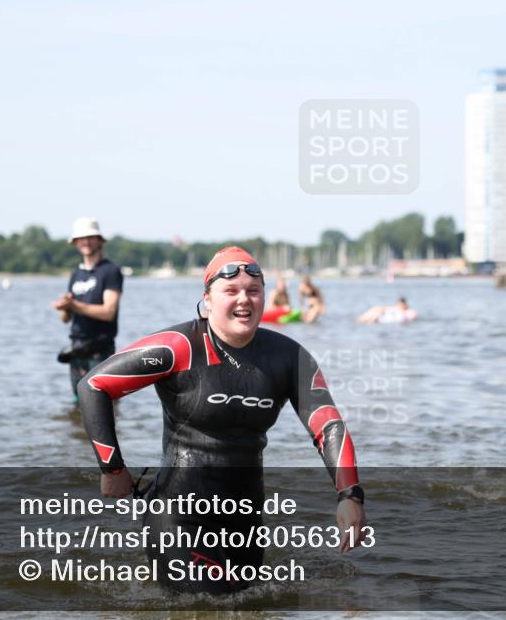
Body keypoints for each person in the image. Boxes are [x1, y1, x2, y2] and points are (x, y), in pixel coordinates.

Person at [78, 246, 367, 593]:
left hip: (245, 519)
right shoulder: (179, 346)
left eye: (253, 290)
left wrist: (350, 495)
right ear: (208, 299)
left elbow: (328, 424)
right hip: (178, 515)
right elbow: (93, 386)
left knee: (246, 608)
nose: (244, 299)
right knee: (203, 605)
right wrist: (113, 470)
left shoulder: (289, 357)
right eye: (231, 290)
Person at [50, 217, 123, 402]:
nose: (86, 242)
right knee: (79, 403)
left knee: (104, 403)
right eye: (81, 238)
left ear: (99, 240)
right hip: (76, 349)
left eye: (90, 237)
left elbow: (108, 312)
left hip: (101, 349)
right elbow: (66, 319)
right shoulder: (76, 274)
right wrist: (65, 307)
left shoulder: (110, 271)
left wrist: (74, 305)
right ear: (75, 242)